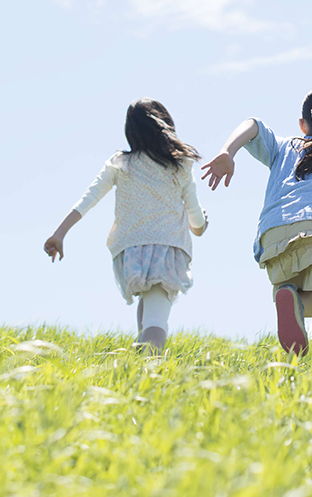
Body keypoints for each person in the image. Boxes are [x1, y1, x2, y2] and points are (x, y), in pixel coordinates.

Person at [202, 87, 312, 364]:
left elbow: (253, 125)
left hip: (276, 238)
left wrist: (227, 152)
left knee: (311, 298)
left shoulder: (285, 147)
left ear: (303, 124)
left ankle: (292, 299)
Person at [44, 98, 208, 354]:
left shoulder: (121, 163)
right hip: (167, 251)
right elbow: (196, 220)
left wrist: (59, 233)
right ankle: (148, 364)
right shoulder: (180, 165)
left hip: (132, 253)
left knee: (148, 311)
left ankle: (140, 365)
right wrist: (200, 225)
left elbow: (89, 198)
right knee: (157, 318)